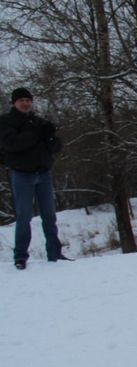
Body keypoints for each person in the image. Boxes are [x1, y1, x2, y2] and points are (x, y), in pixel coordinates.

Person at [0, 87, 65, 270]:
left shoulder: (38, 121)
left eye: (28, 100)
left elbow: (54, 143)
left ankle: (55, 253)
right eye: (22, 100)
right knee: (24, 216)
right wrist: (36, 135)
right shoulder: (6, 122)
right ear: (14, 103)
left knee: (49, 216)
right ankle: (20, 257)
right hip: (22, 174)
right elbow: (11, 144)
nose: (26, 103)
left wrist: (53, 142)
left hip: (43, 173)